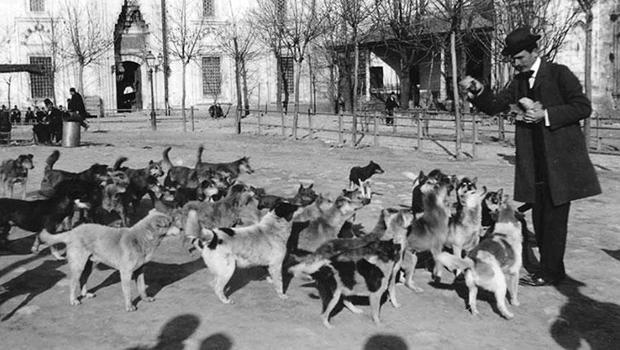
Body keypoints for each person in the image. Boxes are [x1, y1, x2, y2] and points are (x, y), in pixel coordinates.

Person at [460, 27, 601, 287]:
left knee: (555, 220)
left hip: (560, 162)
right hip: (534, 164)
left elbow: (583, 107)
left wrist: (545, 115)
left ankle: (550, 272)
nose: (516, 63)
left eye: (520, 58)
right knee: (540, 218)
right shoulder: (519, 81)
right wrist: (479, 91)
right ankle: (550, 270)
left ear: (535, 52)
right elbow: (496, 104)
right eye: (512, 59)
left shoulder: (559, 74)